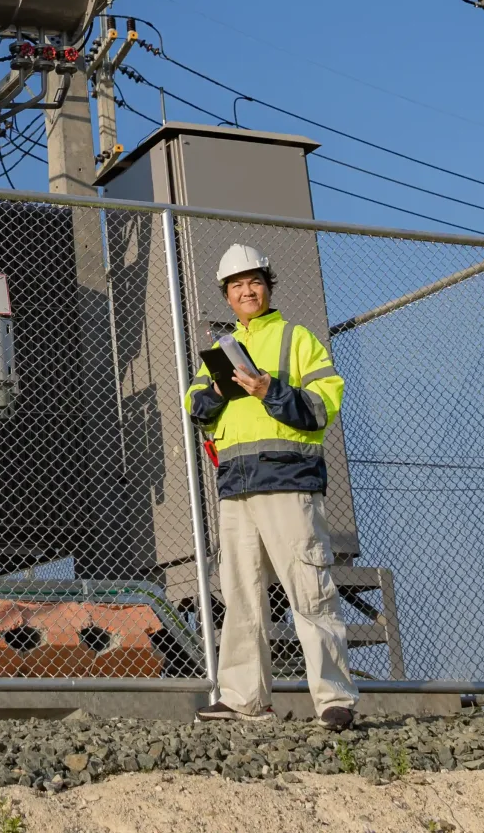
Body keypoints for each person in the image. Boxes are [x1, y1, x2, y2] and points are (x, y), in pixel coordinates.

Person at [186, 240, 358, 729]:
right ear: (227, 295)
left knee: (310, 588)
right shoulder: (219, 352)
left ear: (267, 287)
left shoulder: (297, 339)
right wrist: (218, 389)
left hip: (288, 480)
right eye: (237, 286)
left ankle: (334, 700)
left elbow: (323, 404)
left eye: (253, 283)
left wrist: (270, 390)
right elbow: (196, 408)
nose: (246, 291)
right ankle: (243, 699)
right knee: (241, 596)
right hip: (236, 486)